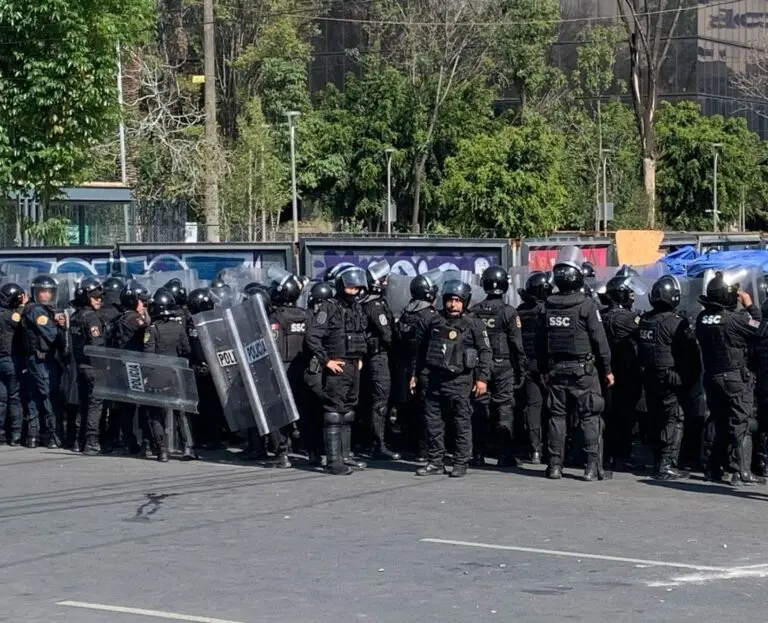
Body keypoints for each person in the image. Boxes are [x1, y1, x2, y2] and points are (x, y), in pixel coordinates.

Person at [536, 247, 613, 481]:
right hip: (583, 372)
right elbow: (600, 340)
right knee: (590, 416)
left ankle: (555, 466)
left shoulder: (546, 306)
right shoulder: (586, 305)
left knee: (557, 418)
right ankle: (590, 467)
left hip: (556, 371)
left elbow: (540, 343)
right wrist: (607, 369)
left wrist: (543, 370)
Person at [412, 279, 492, 478]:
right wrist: (414, 375)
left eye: (457, 300)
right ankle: (435, 462)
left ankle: (460, 462)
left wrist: (482, 378)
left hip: (461, 380)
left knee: (461, 423)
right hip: (434, 379)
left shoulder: (474, 323)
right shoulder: (432, 321)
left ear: (464, 302)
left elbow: (485, 351)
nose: (452, 304)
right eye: (449, 300)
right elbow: (419, 351)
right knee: (433, 423)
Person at [695, 271, 766, 485]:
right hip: (735, 378)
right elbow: (761, 329)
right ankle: (741, 471)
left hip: (712, 375)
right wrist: (750, 305)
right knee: (741, 423)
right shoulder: (736, 319)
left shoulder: (702, 318)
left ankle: (711, 468)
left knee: (715, 419)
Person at [303, 266, 369, 476]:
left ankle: (345, 456)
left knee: (348, 412)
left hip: (353, 365)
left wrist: (359, 359)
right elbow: (312, 336)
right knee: (333, 412)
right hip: (336, 367)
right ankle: (333, 461)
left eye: (357, 287)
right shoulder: (328, 307)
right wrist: (326, 361)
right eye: (350, 287)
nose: (354, 290)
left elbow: (359, 334)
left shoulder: (357, 307)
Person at [637, 275, 701, 480]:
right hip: (670, 378)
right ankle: (667, 464)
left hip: (650, 376)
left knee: (656, 418)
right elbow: (689, 353)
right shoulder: (675, 323)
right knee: (674, 418)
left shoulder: (646, 320)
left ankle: (657, 461)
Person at [470, 265, 526, 468]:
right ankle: (504, 455)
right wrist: (521, 370)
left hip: (480, 367)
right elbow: (517, 344)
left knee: (479, 409)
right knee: (504, 409)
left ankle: (477, 454)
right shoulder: (509, 312)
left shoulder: (474, 311)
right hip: (503, 366)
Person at [393, 272, 440, 462]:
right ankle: (424, 450)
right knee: (425, 409)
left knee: (408, 407)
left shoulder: (406, 313)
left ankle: (408, 445)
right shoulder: (428, 315)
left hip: (403, 366)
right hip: (422, 366)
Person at [143, 288, 192, 462]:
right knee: (181, 412)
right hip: (176, 373)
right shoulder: (178, 327)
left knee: (156, 413)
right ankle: (188, 448)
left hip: (157, 375)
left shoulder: (152, 330)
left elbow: (148, 355)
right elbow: (187, 350)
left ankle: (162, 451)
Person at [601, 271, 643, 470]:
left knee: (608, 414)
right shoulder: (628, 318)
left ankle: (607, 453)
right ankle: (623, 456)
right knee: (625, 416)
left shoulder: (602, 315)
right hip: (626, 372)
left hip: (606, 372)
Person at [267, 269, 308, 469]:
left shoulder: (276, 317)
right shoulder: (304, 315)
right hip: (302, 369)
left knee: (277, 411)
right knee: (303, 410)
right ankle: (309, 450)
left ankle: (281, 452)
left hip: (281, 368)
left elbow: (271, 344)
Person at [361, 262, 400, 460]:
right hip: (378, 359)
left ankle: (375, 441)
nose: (386, 283)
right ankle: (378, 444)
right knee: (380, 402)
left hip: (373, 358)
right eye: (383, 279)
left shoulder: (367, 303)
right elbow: (387, 334)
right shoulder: (374, 306)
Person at [23, 275, 67, 448]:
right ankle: (53, 436)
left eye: (49, 292)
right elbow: (51, 334)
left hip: (37, 359)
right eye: (43, 292)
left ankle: (33, 435)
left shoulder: (38, 310)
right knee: (49, 395)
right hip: (41, 359)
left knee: (35, 397)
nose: (47, 295)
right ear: (36, 292)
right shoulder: (37, 311)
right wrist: (61, 327)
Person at [110, 280, 150, 454]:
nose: (144, 305)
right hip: (135, 367)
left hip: (122, 366)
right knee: (139, 405)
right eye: (142, 301)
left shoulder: (119, 318)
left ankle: (129, 440)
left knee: (126, 406)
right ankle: (140, 440)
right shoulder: (134, 320)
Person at [516, 271, 551, 463]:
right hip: (546, 366)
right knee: (553, 409)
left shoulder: (520, 310)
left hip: (528, 366)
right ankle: (550, 449)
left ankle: (535, 450)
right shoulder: (548, 311)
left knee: (533, 408)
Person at [69, 278, 107, 455]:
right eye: (95, 297)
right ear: (86, 298)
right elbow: (97, 345)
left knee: (83, 404)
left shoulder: (75, 316)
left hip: (80, 366)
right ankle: (91, 442)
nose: (99, 300)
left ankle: (79, 440)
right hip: (94, 366)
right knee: (94, 405)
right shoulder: (91, 317)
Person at [0, 283, 26, 446]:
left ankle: (1, 433)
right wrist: (23, 305)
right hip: (11, 360)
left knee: (1, 399)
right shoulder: (10, 315)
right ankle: (16, 434)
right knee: (14, 398)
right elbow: (18, 320)